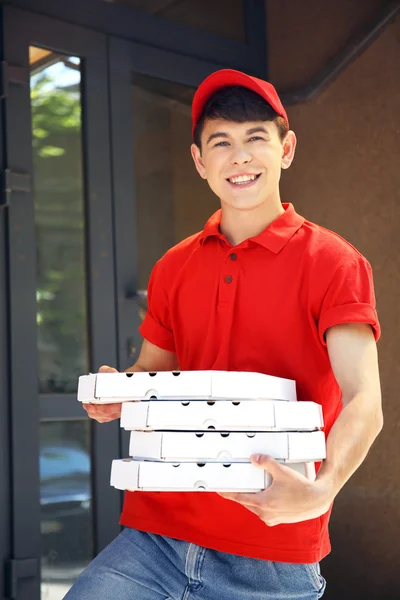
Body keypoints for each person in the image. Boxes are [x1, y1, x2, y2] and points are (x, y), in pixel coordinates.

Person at [65, 69, 383, 600]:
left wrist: (322, 490)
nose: (240, 157)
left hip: (272, 551)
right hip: (156, 537)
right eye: (222, 142)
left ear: (286, 149)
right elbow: (154, 369)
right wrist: (122, 390)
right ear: (199, 161)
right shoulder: (172, 266)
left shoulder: (335, 263)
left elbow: (364, 400)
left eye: (256, 138)